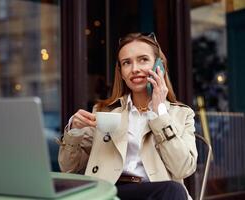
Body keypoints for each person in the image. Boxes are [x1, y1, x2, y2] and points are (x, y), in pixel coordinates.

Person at [58, 32, 197, 200]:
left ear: (159, 66)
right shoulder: (104, 112)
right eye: (126, 63)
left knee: (173, 191)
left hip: (156, 193)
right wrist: (75, 132)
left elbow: (183, 169)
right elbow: (68, 169)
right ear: (121, 73)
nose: (135, 69)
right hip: (110, 193)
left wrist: (160, 113)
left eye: (143, 60)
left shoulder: (181, 114)